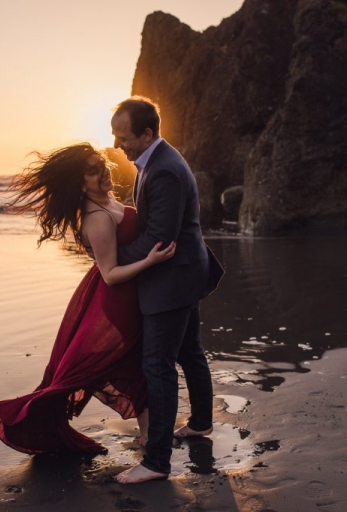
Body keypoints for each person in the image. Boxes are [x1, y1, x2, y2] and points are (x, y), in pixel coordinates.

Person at [0, 142, 175, 455]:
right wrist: (151, 261)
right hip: (117, 298)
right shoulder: (96, 217)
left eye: (102, 165)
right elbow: (111, 274)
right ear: (80, 181)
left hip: (129, 294)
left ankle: (149, 435)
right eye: (92, 171)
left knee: (138, 365)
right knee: (128, 364)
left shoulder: (108, 200)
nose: (103, 173)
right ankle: (148, 436)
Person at [111, 97, 224, 484]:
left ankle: (157, 462)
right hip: (186, 273)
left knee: (157, 366)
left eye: (123, 137)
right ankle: (202, 423)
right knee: (190, 351)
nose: (116, 145)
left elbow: (159, 237)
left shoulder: (165, 171)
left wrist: (115, 260)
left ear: (146, 134)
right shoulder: (154, 162)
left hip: (173, 280)